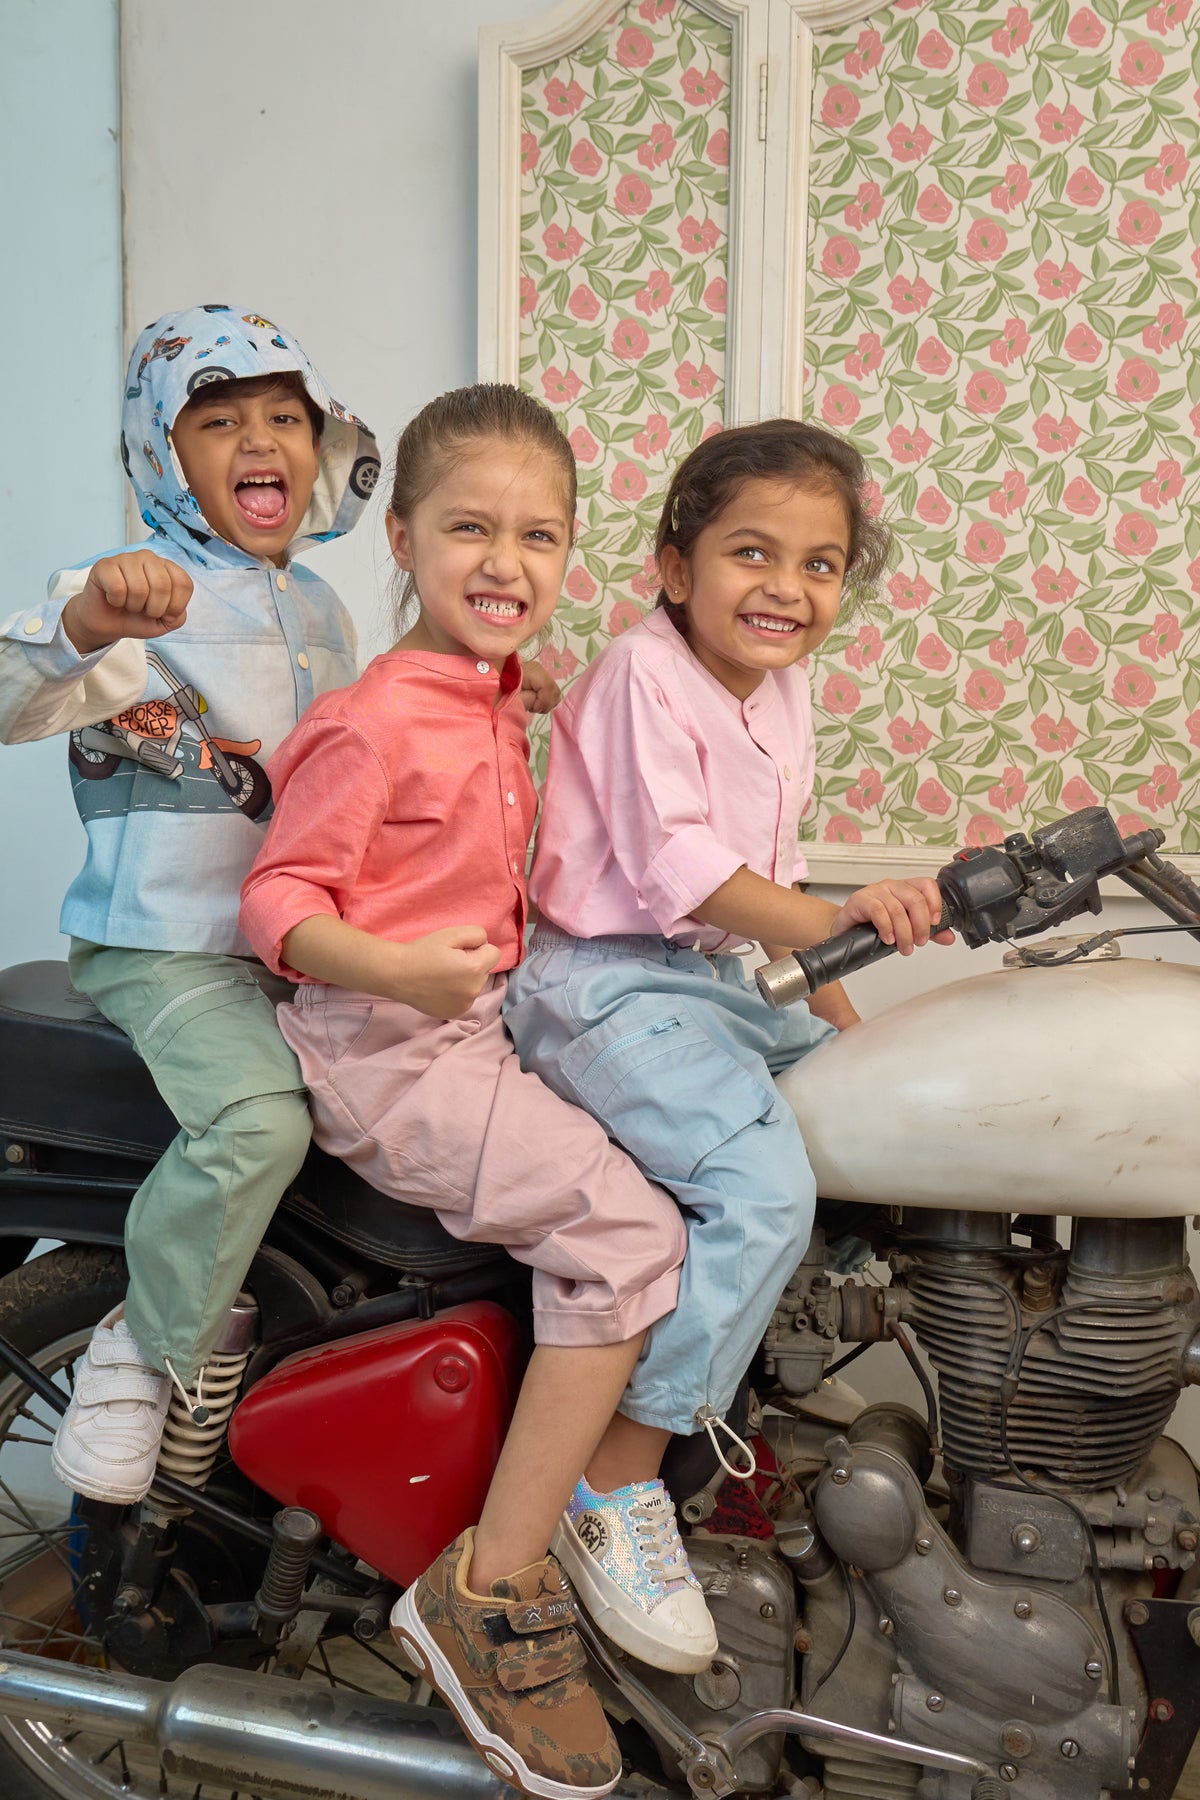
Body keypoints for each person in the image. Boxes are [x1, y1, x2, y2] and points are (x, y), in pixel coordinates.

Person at [0, 309, 560, 1509]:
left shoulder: (322, 609)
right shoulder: (128, 588)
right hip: (167, 946)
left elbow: (370, 767)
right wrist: (87, 621)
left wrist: (498, 690)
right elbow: (12, 698)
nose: (260, 441)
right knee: (259, 1122)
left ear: (321, 447)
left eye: (285, 419)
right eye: (217, 421)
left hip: (298, 947)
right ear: (161, 452)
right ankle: (142, 1348)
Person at [239, 384, 713, 1800]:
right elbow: (277, 902)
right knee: (628, 1238)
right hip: (392, 1053)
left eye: (540, 536)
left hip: (478, 1029)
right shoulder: (369, 721)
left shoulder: (495, 691)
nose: (506, 562)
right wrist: (397, 967)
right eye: (469, 530)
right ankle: (490, 1588)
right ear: (400, 538)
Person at [503, 419, 953, 1598]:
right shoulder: (639, 674)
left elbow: (776, 897)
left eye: (819, 564)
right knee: (761, 1190)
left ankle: (756, 1401)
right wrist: (857, 913)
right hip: (601, 984)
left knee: (893, 1119)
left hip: (707, 984)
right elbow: (689, 874)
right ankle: (614, 1480)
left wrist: (850, 1032)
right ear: (675, 566)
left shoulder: (783, 688)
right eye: (753, 553)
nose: (786, 587)